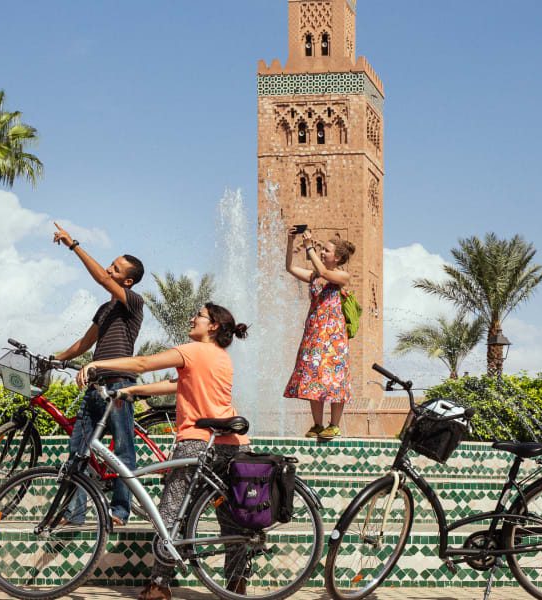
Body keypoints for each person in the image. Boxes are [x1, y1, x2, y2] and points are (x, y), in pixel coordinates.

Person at [77, 302, 250, 600]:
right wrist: (133, 391)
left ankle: (158, 585)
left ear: (212, 326)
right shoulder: (221, 357)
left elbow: (143, 363)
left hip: (197, 442)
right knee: (231, 518)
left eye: (199, 315)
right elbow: (178, 384)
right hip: (233, 445)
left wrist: (97, 365)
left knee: (170, 513)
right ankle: (237, 583)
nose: (192, 318)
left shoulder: (193, 351)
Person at [52, 222, 145, 526]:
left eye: (115, 269)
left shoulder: (133, 303)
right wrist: (55, 358)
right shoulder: (105, 309)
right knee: (78, 451)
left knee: (123, 449)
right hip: (94, 388)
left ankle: (120, 511)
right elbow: (85, 342)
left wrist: (73, 245)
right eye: (110, 265)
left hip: (118, 386)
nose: (108, 269)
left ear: (128, 281)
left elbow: (103, 280)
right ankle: (74, 514)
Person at [283, 227, 355, 440]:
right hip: (314, 334)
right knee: (314, 376)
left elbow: (325, 273)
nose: (322, 252)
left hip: (333, 337)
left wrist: (309, 247)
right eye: (322, 249)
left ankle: (334, 425)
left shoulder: (341, 275)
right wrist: (290, 241)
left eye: (326, 250)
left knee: (335, 377)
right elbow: (289, 267)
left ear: (337, 257)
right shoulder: (314, 276)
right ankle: (317, 424)